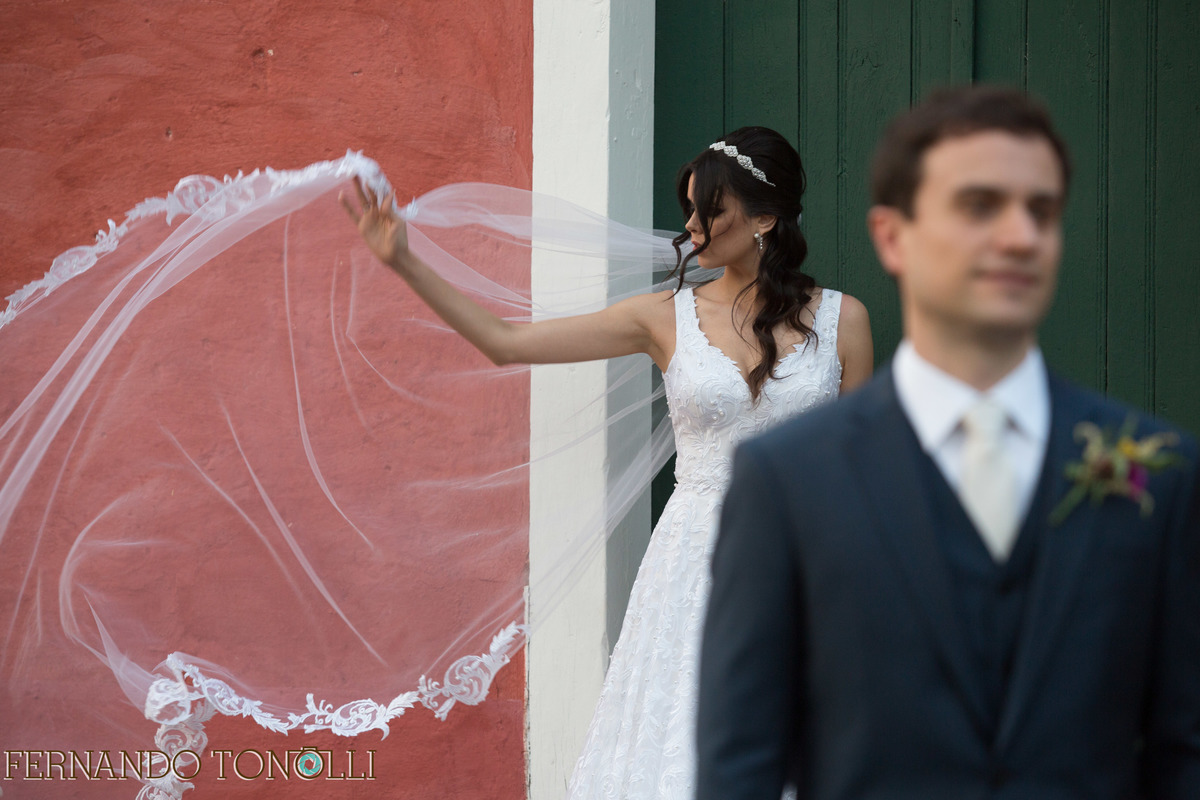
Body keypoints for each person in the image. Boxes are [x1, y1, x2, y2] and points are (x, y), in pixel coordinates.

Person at [696, 85, 1200, 799]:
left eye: (1041, 211)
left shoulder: (1163, 473)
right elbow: (739, 769)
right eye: (979, 206)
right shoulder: (786, 482)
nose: (1020, 236)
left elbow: (1185, 753)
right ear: (892, 237)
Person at [344, 126, 873, 798]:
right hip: (695, 564)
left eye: (709, 210)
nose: (690, 227)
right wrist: (403, 261)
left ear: (764, 219)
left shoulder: (844, 322)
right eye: (688, 209)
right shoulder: (663, 317)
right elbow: (506, 343)